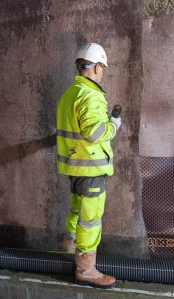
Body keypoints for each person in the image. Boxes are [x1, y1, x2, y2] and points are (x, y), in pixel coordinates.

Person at [56, 42, 121, 289]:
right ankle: (86, 269)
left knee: (76, 209)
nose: (102, 72)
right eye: (101, 67)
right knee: (90, 217)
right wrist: (114, 123)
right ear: (94, 68)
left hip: (75, 167)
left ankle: (68, 245)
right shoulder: (91, 95)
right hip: (91, 167)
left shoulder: (69, 94)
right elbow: (95, 133)